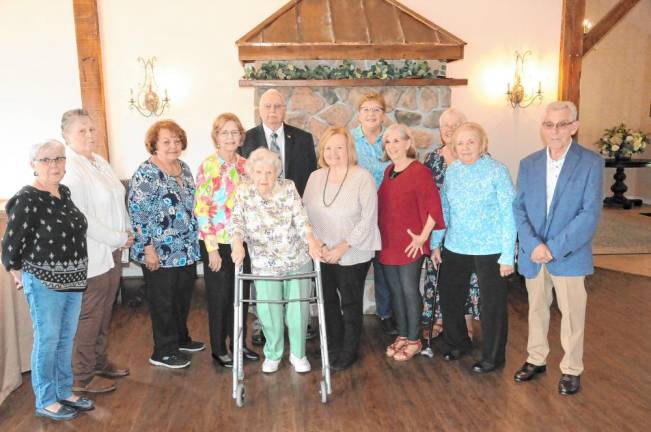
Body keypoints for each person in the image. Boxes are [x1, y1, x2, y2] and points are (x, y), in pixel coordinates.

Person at [512, 101, 603, 395]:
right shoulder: (528, 163)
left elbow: (589, 214)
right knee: (536, 309)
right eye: (549, 124)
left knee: (572, 315)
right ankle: (536, 359)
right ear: (543, 127)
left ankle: (571, 368)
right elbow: (519, 208)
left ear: (573, 127)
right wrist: (532, 244)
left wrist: (552, 248)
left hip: (569, 255)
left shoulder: (590, 162)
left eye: (562, 124)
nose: (555, 130)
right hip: (533, 253)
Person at [2, 139, 94, 421]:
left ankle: (64, 390)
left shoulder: (63, 192)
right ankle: (45, 399)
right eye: (46, 160)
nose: (54, 165)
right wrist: (20, 274)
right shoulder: (27, 197)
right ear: (33, 165)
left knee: (66, 338)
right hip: (44, 282)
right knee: (48, 339)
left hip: (74, 279)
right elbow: (10, 247)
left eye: (58, 158)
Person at [430, 122, 516, 374]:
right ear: (453, 147)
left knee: (492, 306)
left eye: (471, 142)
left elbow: (509, 214)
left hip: (491, 248)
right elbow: (444, 209)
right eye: (460, 143)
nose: (465, 147)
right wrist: (436, 243)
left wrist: (508, 255)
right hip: (456, 245)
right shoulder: (453, 171)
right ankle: (458, 342)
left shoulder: (497, 171)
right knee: (449, 297)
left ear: (482, 144)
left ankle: (493, 356)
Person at [59, 109, 133, 394]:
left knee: (105, 313)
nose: (90, 135)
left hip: (112, 252)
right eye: (82, 131)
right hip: (91, 254)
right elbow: (83, 218)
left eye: (92, 129)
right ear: (66, 136)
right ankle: (82, 377)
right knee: (89, 316)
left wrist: (127, 231)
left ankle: (100, 361)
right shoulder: (71, 170)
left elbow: (117, 199)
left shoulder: (99, 161)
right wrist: (118, 237)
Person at [230, 148, 321, 374]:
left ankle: (298, 355)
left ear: (277, 172)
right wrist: (236, 243)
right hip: (264, 262)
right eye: (259, 172)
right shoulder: (243, 192)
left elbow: (301, 219)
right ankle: (273, 353)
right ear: (251, 172)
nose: (264, 178)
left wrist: (311, 240)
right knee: (268, 310)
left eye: (269, 173)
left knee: (298, 308)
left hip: (296, 258)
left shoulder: (288, 188)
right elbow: (237, 222)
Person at [240, 88, 318, 345]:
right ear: (259, 110)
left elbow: (308, 178)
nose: (273, 111)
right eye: (267, 107)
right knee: (264, 284)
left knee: (296, 278)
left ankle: (300, 324)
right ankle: (263, 324)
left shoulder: (303, 139)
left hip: (293, 222)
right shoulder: (246, 139)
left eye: (277, 106)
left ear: (285, 109)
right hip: (261, 228)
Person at [303, 127, 381, 371]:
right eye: (328, 148)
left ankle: (349, 350)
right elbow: (303, 214)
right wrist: (319, 244)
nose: (333, 153)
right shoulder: (315, 177)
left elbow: (368, 219)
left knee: (349, 302)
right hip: (322, 251)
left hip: (354, 251)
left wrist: (342, 248)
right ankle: (332, 345)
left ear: (349, 150)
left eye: (339, 147)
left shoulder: (362, 177)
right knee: (326, 301)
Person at [128, 120, 203, 369]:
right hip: (159, 251)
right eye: (166, 141)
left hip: (185, 249)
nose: (173, 145)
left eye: (177, 140)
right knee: (163, 302)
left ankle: (180, 339)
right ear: (154, 145)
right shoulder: (146, 172)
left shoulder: (184, 168)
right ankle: (163, 351)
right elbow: (138, 213)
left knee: (182, 297)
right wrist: (148, 249)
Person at [194, 113, 259, 367]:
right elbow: (201, 209)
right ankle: (219, 349)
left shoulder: (245, 165)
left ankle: (239, 345)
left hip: (241, 243)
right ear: (216, 137)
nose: (230, 137)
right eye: (225, 133)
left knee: (240, 296)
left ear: (241, 136)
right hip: (216, 244)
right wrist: (211, 250)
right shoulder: (208, 166)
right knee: (220, 297)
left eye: (234, 132)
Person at [378, 124, 445, 362]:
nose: (393, 146)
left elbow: (434, 207)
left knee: (408, 289)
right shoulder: (388, 171)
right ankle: (404, 335)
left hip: (411, 243)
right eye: (388, 141)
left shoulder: (419, 171)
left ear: (408, 143)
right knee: (395, 291)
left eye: (398, 140)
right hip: (388, 242)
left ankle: (415, 339)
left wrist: (423, 237)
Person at [421, 108, 480, 343]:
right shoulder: (432, 159)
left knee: (467, 276)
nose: (448, 130)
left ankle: (465, 321)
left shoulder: (476, 158)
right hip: (438, 227)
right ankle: (438, 319)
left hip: (468, 230)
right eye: (444, 126)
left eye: (454, 126)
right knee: (438, 274)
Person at [351, 91, 396, 335]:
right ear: (359, 115)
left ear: (383, 115)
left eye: (376, 110)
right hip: (357, 214)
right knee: (356, 267)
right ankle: (351, 315)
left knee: (383, 267)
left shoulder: (391, 140)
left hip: (387, 213)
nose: (371, 114)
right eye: (366, 109)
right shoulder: (350, 140)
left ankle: (386, 313)